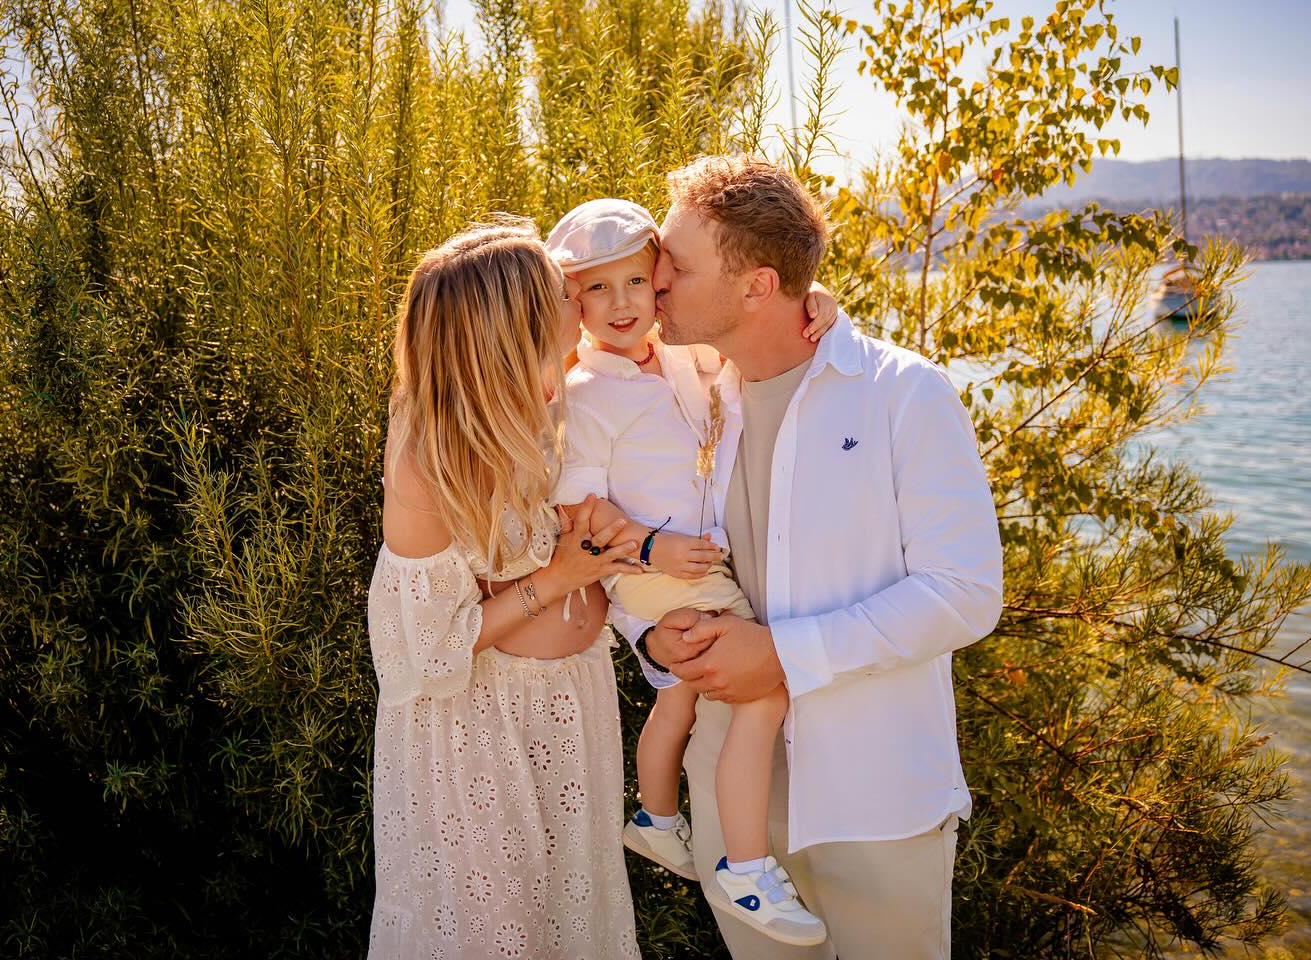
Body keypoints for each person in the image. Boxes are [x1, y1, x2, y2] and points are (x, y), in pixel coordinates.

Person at [611, 156, 1004, 960]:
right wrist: (644, 637)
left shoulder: (904, 393)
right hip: (731, 801)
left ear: (757, 286)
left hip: (876, 798)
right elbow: (623, 534)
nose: (653, 285)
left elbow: (965, 592)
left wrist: (784, 657)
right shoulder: (677, 394)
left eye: (675, 268)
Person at [545, 198, 836, 946]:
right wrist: (649, 547)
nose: (621, 304)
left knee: (677, 698)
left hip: (680, 565)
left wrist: (820, 301)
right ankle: (744, 867)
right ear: (571, 301)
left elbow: (756, 334)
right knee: (766, 690)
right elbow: (576, 508)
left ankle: (655, 815)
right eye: (598, 289)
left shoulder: (679, 358)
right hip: (655, 567)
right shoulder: (584, 392)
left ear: (659, 284)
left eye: (636, 283)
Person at [367, 218, 643, 959]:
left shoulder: (550, 401)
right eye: (562, 297)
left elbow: (674, 347)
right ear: (508, 330)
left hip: (569, 715)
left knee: (568, 930)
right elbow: (424, 652)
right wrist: (560, 578)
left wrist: (816, 306)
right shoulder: (429, 456)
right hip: (480, 735)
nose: (579, 309)